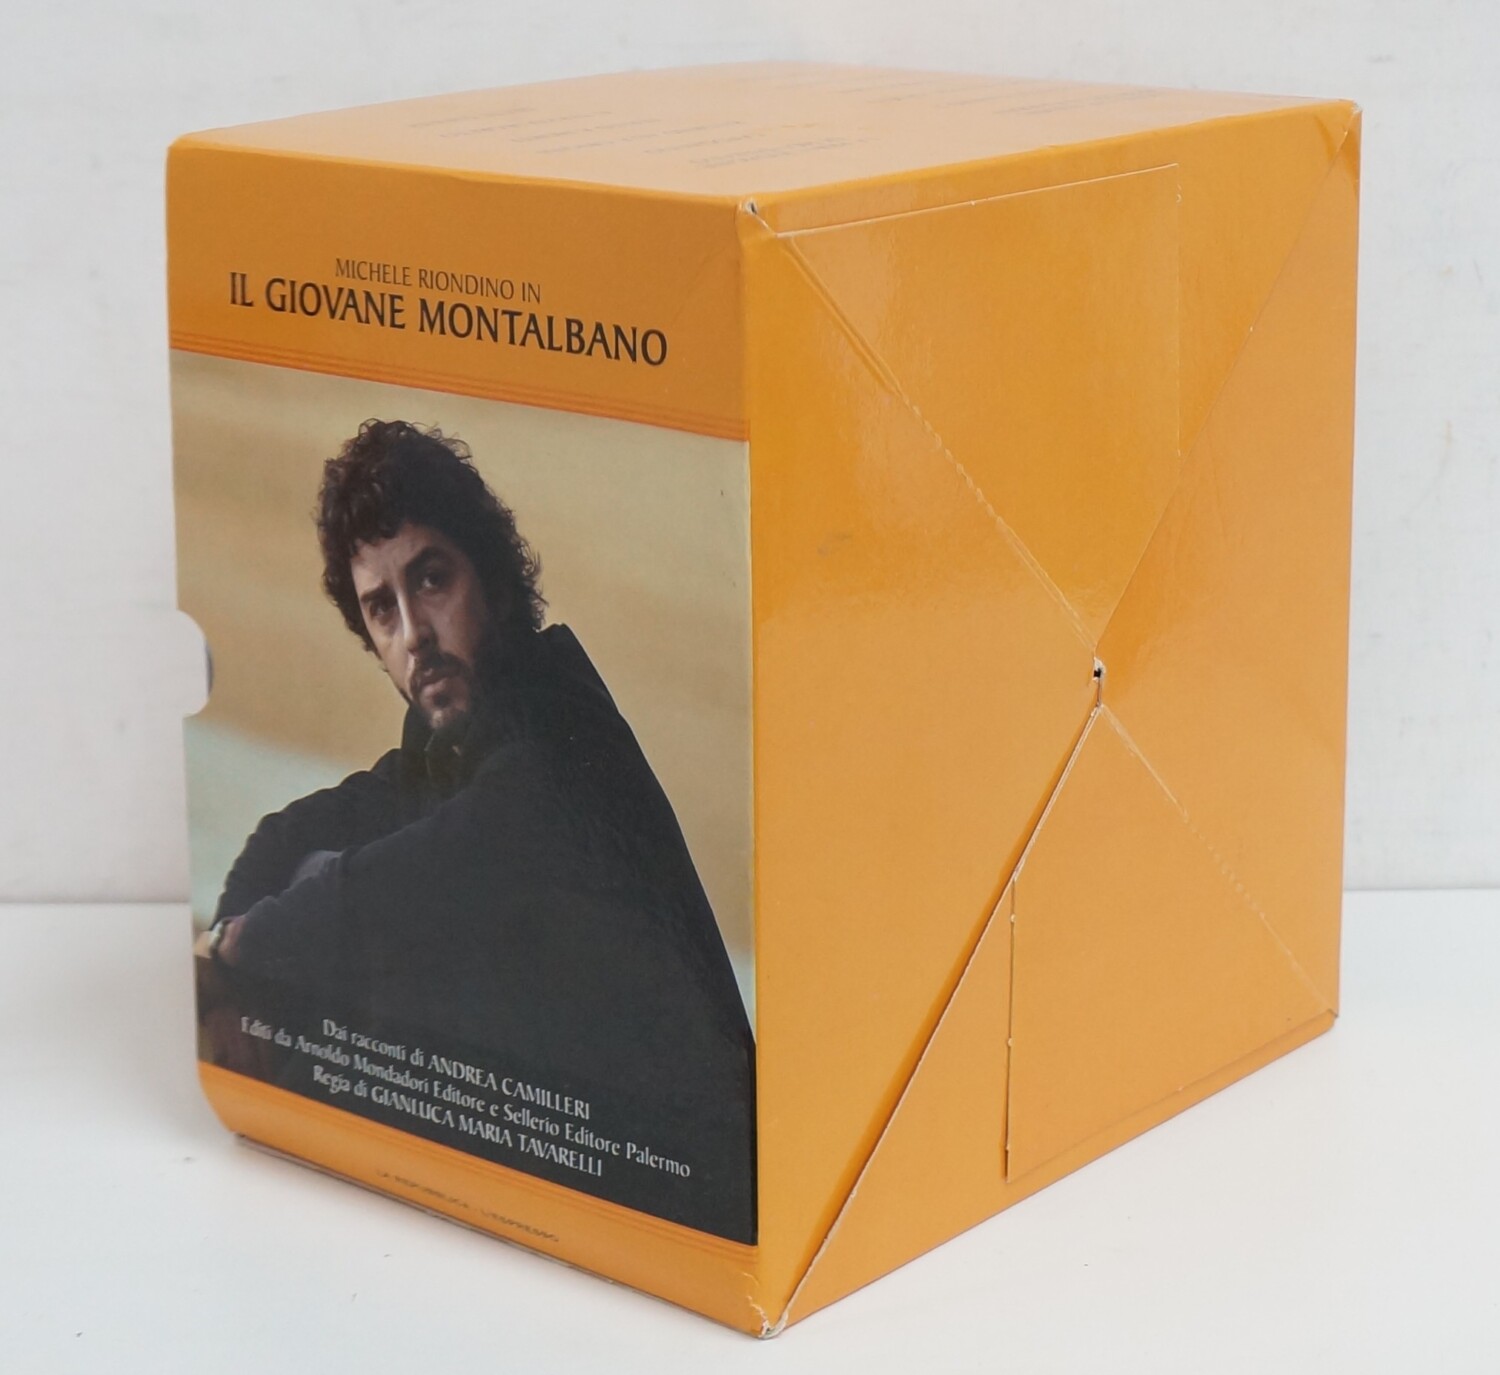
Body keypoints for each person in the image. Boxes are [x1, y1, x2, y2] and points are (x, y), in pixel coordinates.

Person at [194, 419, 755, 1242]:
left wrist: (239, 951)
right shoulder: (449, 742)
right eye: (381, 609)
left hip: (692, 1202)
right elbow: (284, 834)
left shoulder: (558, 733)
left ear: (491, 577)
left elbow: (407, 881)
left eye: (431, 580)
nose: (414, 634)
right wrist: (233, 975)